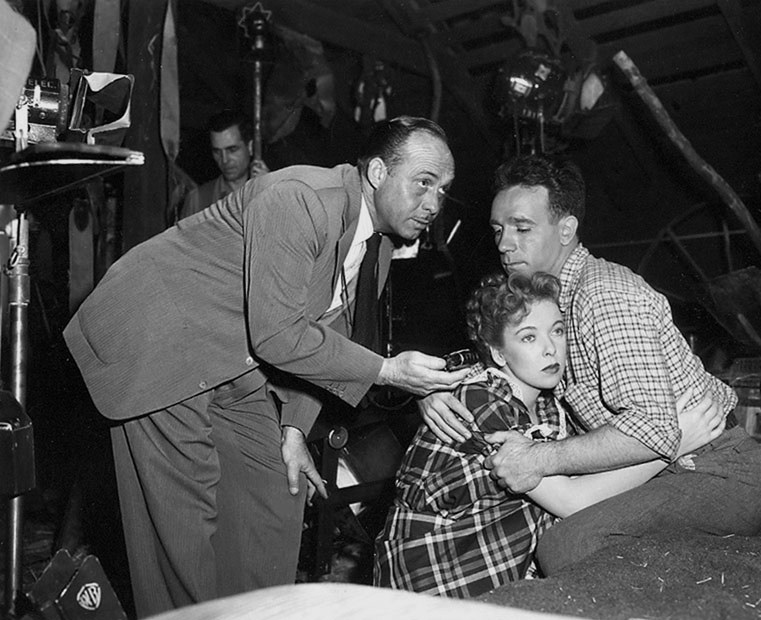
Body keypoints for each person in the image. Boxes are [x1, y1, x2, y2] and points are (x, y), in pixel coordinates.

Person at [63, 116, 472, 617]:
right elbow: (279, 334)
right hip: (159, 338)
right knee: (183, 525)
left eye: (443, 189)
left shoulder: (377, 246)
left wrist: (294, 428)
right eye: (424, 183)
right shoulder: (301, 198)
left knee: (277, 487)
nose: (434, 204)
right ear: (378, 172)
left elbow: (328, 330)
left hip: (232, 356)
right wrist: (386, 371)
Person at [418, 153, 761, 576]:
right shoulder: (550, 299)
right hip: (666, 467)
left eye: (522, 228)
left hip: (717, 472)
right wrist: (433, 386)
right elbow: (498, 351)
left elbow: (654, 430)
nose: (504, 243)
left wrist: (539, 458)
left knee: (567, 546)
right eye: (498, 229)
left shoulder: (601, 294)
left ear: (566, 230)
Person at [376, 271, 724, 597]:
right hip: (430, 578)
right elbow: (572, 501)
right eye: (529, 337)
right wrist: (672, 443)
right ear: (497, 352)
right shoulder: (480, 402)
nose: (549, 348)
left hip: (486, 570)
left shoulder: (548, 408)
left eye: (557, 331)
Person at [179, 109, 269, 219]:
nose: (224, 160)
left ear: (250, 147)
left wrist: (270, 192)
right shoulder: (197, 200)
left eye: (232, 150)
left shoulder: (272, 191)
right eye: (217, 151)